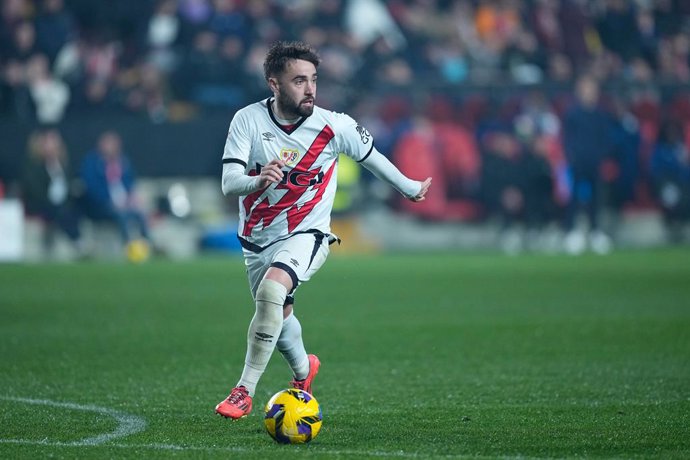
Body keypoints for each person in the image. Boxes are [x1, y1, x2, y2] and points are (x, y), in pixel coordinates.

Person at [215, 41, 431, 420]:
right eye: (299, 81)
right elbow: (229, 182)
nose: (310, 88)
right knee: (278, 317)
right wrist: (257, 181)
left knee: (271, 291)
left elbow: (373, 159)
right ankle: (304, 371)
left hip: (307, 233)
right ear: (274, 84)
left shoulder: (334, 125)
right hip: (256, 238)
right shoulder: (247, 120)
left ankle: (243, 391)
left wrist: (409, 187)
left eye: (313, 79)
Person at [79, 130, 152, 257]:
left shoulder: (123, 162)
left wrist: (132, 198)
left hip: (124, 204)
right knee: (122, 216)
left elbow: (130, 184)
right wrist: (111, 202)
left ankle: (148, 246)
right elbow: (92, 189)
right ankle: (128, 248)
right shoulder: (92, 163)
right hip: (102, 206)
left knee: (140, 214)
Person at [21, 128, 87, 258]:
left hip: (61, 205)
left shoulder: (62, 165)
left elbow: (67, 185)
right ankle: (78, 242)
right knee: (60, 210)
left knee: (72, 209)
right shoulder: (33, 166)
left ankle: (78, 241)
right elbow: (34, 191)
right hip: (40, 204)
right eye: (48, 143)